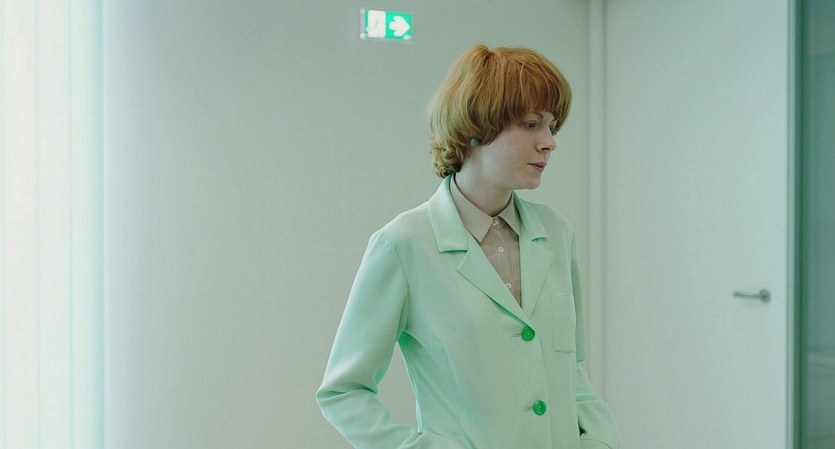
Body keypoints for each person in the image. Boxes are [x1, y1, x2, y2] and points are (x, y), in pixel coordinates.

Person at [316, 44, 620, 449]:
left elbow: (571, 371)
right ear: (475, 128)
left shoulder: (556, 233)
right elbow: (343, 392)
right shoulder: (404, 245)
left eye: (552, 126)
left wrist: (599, 439)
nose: (549, 142)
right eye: (531, 124)